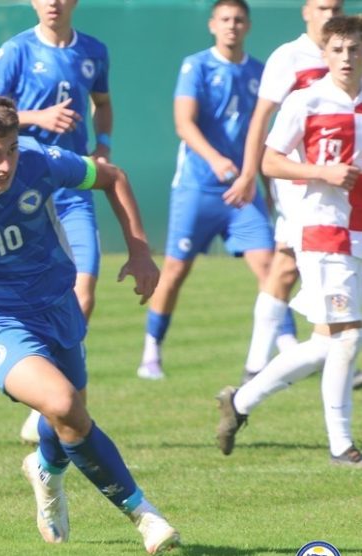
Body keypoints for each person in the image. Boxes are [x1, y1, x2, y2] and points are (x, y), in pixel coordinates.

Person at [0, 96, 180, 554]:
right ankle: (145, 515)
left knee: (68, 416)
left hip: (55, 304)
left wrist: (140, 251)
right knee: (63, 403)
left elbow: (113, 177)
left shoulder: (39, 161)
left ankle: (46, 470)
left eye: (11, 150)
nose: (5, 165)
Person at [216, 15, 362, 467]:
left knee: (325, 342)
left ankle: (240, 401)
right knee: (348, 337)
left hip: (358, 232)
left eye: (353, 49)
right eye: (337, 50)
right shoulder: (307, 101)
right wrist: (321, 172)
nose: (345, 57)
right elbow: (270, 161)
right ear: (325, 54)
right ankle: (342, 446)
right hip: (323, 229)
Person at [0, 0, 113, 446]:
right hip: (22, 190)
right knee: (9, 303)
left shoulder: (94, 50)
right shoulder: (15, 51)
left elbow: (102, 103)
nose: (53, 2)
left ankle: (43, 407)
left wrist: (103, 145)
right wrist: (35, 118)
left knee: (82, 293)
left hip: (71, 189)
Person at [136, 0, 275, 380]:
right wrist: (215, 159)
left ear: (248, 26)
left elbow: (263, 137)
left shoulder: (260, 72)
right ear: (213, 24)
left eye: (239, 20)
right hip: (197, 188)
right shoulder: (196, 66)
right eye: (225, 19)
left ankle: (281, 350)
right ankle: (151, 352)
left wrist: (268, 186)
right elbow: (184, 123)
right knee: (175, 269)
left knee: (271, 266)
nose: (232, 25)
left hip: (243, 191)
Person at [225, 0, 346, 385]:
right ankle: (327, 350)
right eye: (323, 8)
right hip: (298, 183)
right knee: (294, 263)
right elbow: (260, 118)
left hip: (340, 184)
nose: (330, 15)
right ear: (306, 11)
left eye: (336, 8)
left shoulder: (347, 52)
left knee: (287, 267)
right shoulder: (289, 57)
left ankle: (265, 365)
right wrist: (249, 173)